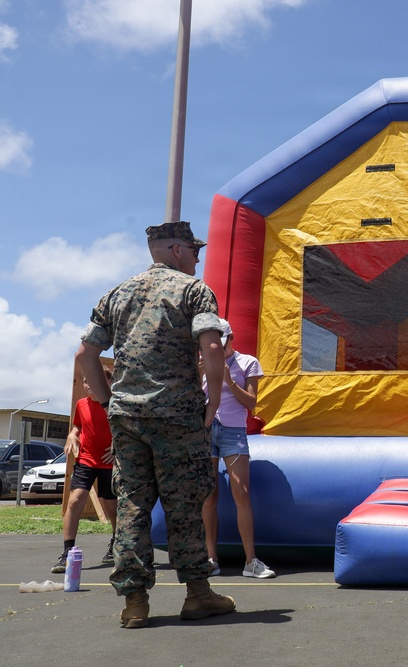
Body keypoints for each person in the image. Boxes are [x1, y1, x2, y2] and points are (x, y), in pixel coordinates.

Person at [75, 220, 235, 629]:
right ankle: (198, 594)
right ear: (177, 249)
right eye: (194, 250)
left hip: (128, 418)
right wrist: (213, 400)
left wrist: (107, 401)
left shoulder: (117, 293)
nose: (199, 258)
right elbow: (212, 345)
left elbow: (85, 355)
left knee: (132, 504)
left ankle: (134, 603)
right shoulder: (193, 290)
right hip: (178, 414)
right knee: (185, 505)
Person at [201, 319, 275, 579]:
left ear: (231, 339)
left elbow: (252, 403)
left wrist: (230, 381)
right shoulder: (201, 362)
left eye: (224, 343)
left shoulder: (247, 363)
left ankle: (250, 561)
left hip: (234, 431)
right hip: (207, 428)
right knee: (209, 496)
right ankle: (211, 558)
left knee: (241, 493)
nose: (220, 349)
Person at [51, 365, 117, 574]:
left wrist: (118, 446)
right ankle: (67, 552)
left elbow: (129, 430)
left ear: (109, 382)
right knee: (75, 499)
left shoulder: (116, 404)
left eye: (94, 380)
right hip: (87, 460)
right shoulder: (81, 404)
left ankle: (116, 544)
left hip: (110, 462)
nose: (89, 386)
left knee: (111, 507)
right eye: (86, 381)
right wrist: (72, 434)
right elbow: (78, 425)